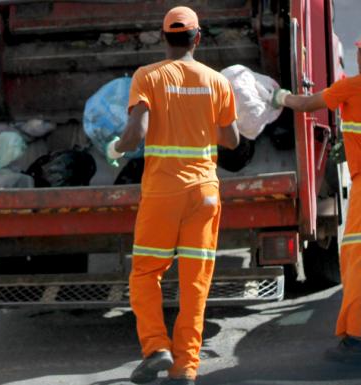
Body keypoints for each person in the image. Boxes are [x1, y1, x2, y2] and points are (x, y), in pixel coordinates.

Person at [107, 6, 239, 385]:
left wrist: (116, 150)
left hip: (163, 193)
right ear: (198, 38)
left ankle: (156, 348)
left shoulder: (147, 76)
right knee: (195, 281)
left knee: (147, 273)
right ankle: (186, 367)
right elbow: (230, 139)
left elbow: (135, 133)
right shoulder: (217, 82)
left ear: (164, 38)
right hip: (205, 194)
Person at [272, 30, 361, 363]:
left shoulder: (356, 85)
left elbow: (308, 104)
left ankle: (351, 340)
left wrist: (280, 98)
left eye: (359, 55)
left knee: (354, 259)